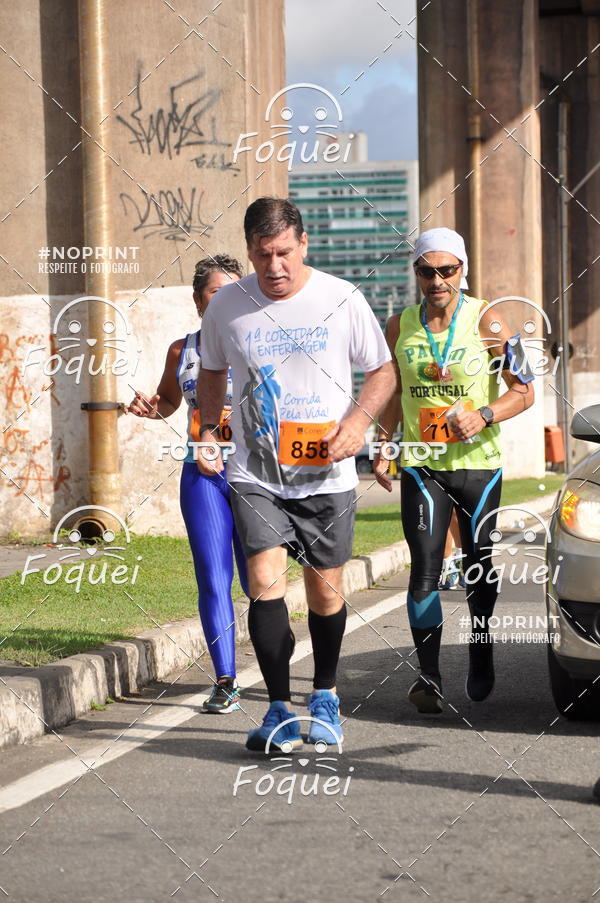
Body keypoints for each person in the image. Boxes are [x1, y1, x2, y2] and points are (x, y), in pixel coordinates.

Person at [197, 197, 395, 751]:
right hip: (256, 472)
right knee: (263, 584)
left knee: (326, 593)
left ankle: (326, 694)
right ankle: (279, 710)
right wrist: (210, 430)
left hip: (326, 475)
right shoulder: (227, 306)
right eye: (263, 256)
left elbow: (381, 370)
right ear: (250, 253)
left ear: (303, 244)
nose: (275, 267)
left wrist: (358, 422)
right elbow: (212, 370)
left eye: (284, 253)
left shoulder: (340, 298)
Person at [374, 227, 535, 713]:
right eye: (427, 270)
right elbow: (392, 390)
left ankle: (481, 654)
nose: (438, 280)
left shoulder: (489, 321)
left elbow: (524, 390)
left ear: (462, 271)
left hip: (478, 467)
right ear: (416, 273)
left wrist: (483, 414)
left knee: (477, 569)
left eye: (448, 270)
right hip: (423, 466)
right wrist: (384, 443)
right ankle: (429, 676)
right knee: (423, 568)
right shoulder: (398, 326)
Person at [125, 255, 249, 713]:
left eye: (235, 290)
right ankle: (225, 679)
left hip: (255, 476)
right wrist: (149, 407)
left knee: (261, 584)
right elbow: (169, 403)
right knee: (214, 580)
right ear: (199, 301)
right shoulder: (183, 351)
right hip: (204, 474)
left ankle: (275, 645)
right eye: (216, 292)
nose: (226, 299)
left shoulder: (262, 343)